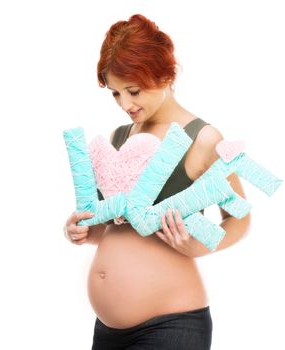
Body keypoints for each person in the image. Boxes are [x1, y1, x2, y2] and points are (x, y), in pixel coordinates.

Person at [63, 13, 251, 350]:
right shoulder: (120, 135)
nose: (126, 105)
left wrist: (201, 246)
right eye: (116, 94)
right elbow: (114, 225)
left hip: (171, 326)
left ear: (165, 75)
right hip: (107, 332)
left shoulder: (203, 139)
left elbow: (241, 219)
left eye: (133, 91)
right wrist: (83, 230)